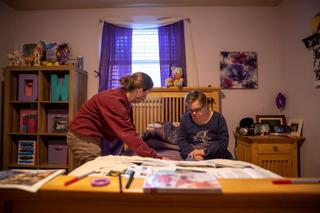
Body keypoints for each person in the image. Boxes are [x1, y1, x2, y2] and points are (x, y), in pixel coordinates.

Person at [67, 72, 161, 167]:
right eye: (146, 94)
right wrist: (155, 157)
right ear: (140, 91)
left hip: (93, 137)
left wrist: (143, 149)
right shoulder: (114, 100)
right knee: (96, 170)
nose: (145, 98)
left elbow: (130, 128)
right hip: (82, 137)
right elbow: (128, 134)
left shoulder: (125, 101)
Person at [177, 90, 233, 160]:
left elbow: (223, 142)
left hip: (217, 154)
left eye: (197, 109)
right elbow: (181, 140)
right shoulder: (185, 119)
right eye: (191, 110)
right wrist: (194, 153)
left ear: (206, 105)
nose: (194, 113)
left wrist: (203, 152)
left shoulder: (218, 118)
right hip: (193, 155)